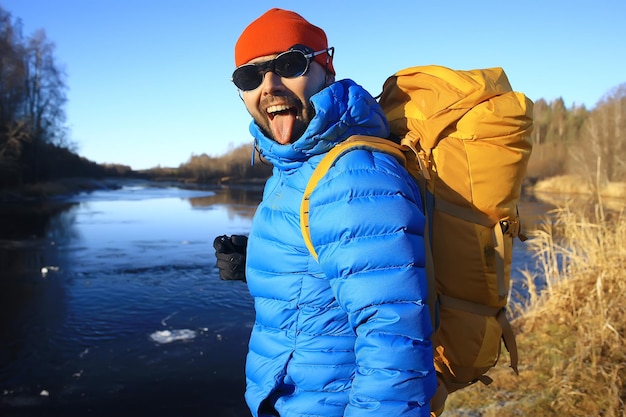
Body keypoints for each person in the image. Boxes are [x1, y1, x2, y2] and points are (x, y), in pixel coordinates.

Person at [214, 8, 437, 417]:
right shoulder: (295, 164)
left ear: (325, 68)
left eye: (289, 64)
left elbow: (395, 346)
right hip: (292, 400)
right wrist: (258, 260)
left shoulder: (353, 176)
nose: (269, 86)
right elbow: (329, 259)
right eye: (250, 76)